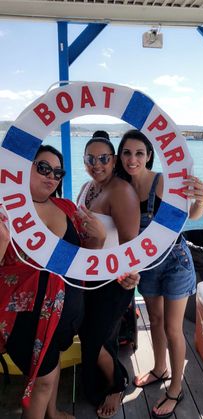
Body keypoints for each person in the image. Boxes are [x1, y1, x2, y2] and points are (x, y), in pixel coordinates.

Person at [0, 144, 106, 419]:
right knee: (43, 381)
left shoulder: (66, 207)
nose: (51, 176)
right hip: (26, 319)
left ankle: (54, 412)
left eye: (58, 172)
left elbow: (87, 263)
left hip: (65, 313)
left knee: (53, 364)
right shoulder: (4, 213)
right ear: (24, 169)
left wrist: (99, 239)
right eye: (43, 168)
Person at [115, 129, 203, 419]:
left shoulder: (162, 182)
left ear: (149, 155)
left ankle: (176, 389)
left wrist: (201, 199)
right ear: (120, 156)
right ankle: (159, 368)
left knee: (172, 328)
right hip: (147, 265)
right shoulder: (121, 187)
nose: (132, 159)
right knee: (153, 319)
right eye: (127, 153)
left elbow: (190, 215)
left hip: (175, 261)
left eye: (139, 153)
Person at [76, 132, 140, 418]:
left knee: (97, 337)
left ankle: (117, 384)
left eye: (103, 158)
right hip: (86, 277)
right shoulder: (86, 187)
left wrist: (130, 274)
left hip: (113, 281)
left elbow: (132, 245)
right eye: (91, 158)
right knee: (90, 333)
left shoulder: (121, 191)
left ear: (113, 161)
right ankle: (100, 381)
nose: (97, 164)